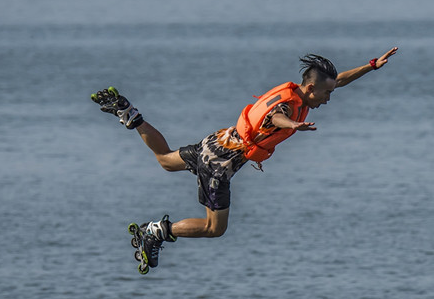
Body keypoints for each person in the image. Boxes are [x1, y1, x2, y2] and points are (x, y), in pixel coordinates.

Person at [92, 47, 398, 270]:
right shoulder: (291, 107)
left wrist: (371, 66)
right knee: (215, 228)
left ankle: (130, 115)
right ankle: (155, 232)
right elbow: (277, 118)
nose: (329, 99)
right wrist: (294, 125)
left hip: (217, 141)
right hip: (221, 164)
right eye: (325, 94)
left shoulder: (301, 92)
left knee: (164, 160)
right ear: (309, 88)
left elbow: (338, 80)